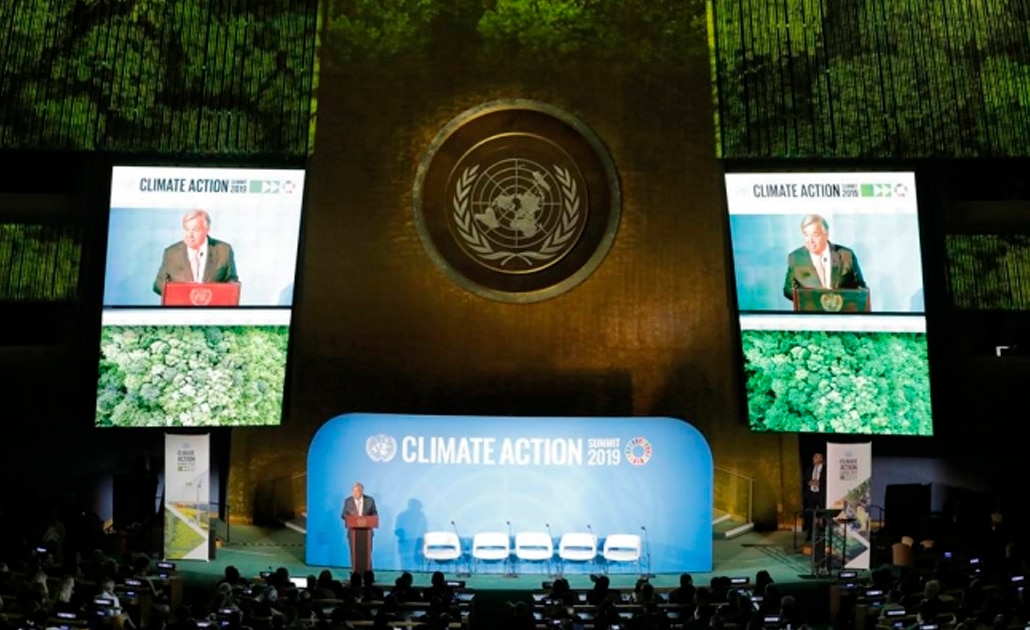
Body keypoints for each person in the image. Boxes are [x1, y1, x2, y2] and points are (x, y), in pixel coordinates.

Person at [153, 209, 238, 296]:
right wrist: (181, 291)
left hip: (212, 307)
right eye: (186, 229)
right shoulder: (171, 253)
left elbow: (232, 282)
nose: (190, 235)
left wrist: (212, 294)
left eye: (195, 230)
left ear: (207, 230)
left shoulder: (224, 250)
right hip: (182, 307)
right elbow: (158, 285)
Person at [783, 214, 866, 302]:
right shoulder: (796, 258)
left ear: (826, 235)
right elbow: (788, 290)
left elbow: (860, 287)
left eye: (815, 235)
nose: (810, 241)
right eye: (806, 235)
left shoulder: (846, 255)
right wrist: (807, 298)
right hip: (812, 312)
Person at [802, 452, 826, 537]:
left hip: (821, 495)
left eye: (816, 457)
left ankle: (823, 532)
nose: (813, 459)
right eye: (813, 457)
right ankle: (809, 534)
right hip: (811, 495)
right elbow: (805, 481)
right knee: (810, 515)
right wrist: (810, 482)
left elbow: (827, 481)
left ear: (821, 459)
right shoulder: (809, 469)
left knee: (823, 513)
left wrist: (820, 483)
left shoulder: (825, 469)